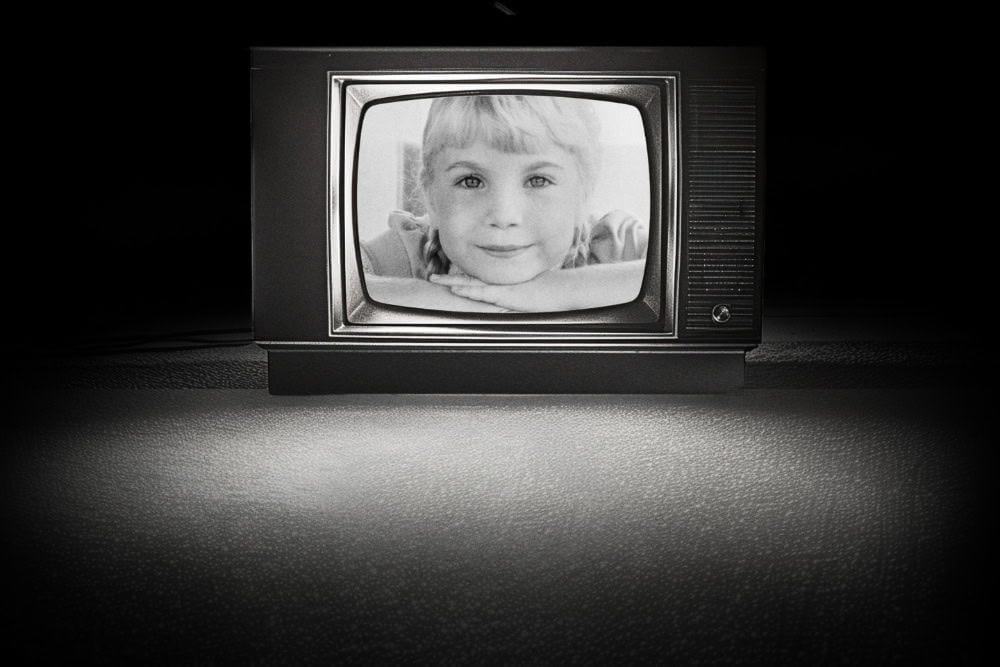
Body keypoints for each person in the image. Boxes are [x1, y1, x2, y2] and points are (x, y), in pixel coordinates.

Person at [360, 94, 647, 312]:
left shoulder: (616, 247)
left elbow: (677, 279)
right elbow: (331, 294)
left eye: (538, 180)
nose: (504, 216)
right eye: (471, 181)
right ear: (430, 197)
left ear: (583, 193)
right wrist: (479, 302)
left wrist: (553, 291)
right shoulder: (404, 252)